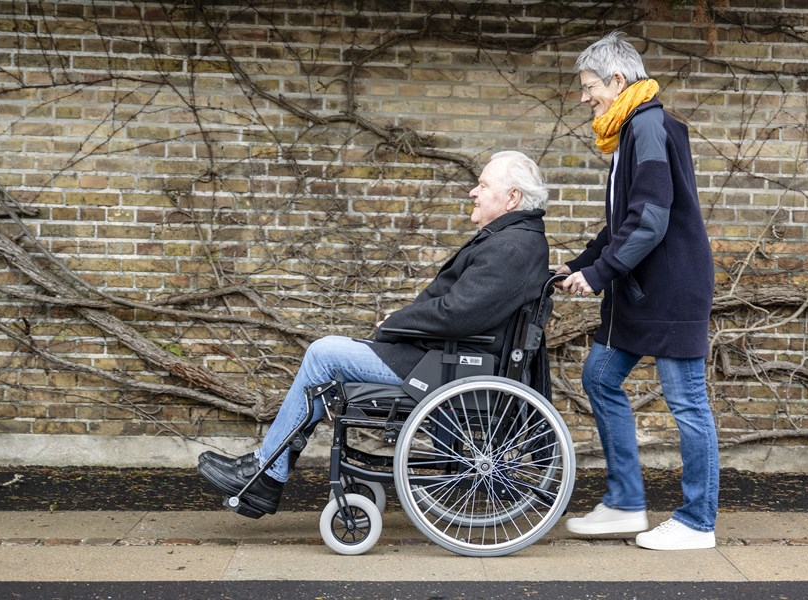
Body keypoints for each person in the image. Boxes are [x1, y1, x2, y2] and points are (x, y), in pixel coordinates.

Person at [197, 151, 551, 517]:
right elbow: (463, 310)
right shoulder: (514, 241)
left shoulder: (510, 247)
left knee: (324, 353)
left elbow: (459, 314)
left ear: (512, 198)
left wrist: (395, 322)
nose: (472, 192)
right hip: (440, 359)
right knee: (327, 357)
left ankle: (266, 474)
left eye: (483, 185)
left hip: (443, 366)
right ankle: (269, 471)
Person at [558, 32, 719, 550]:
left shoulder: (648, 126)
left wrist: (600, 274)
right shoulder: (629, 131)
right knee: (599, 376)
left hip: (670, 289)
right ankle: (625, 503)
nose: (585, 98)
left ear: (618, 80)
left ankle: (698, 521)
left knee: (687, 402)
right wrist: (577, 265)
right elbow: (622, 223)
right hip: (639, 289)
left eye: (589, 88)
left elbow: (650, 220)